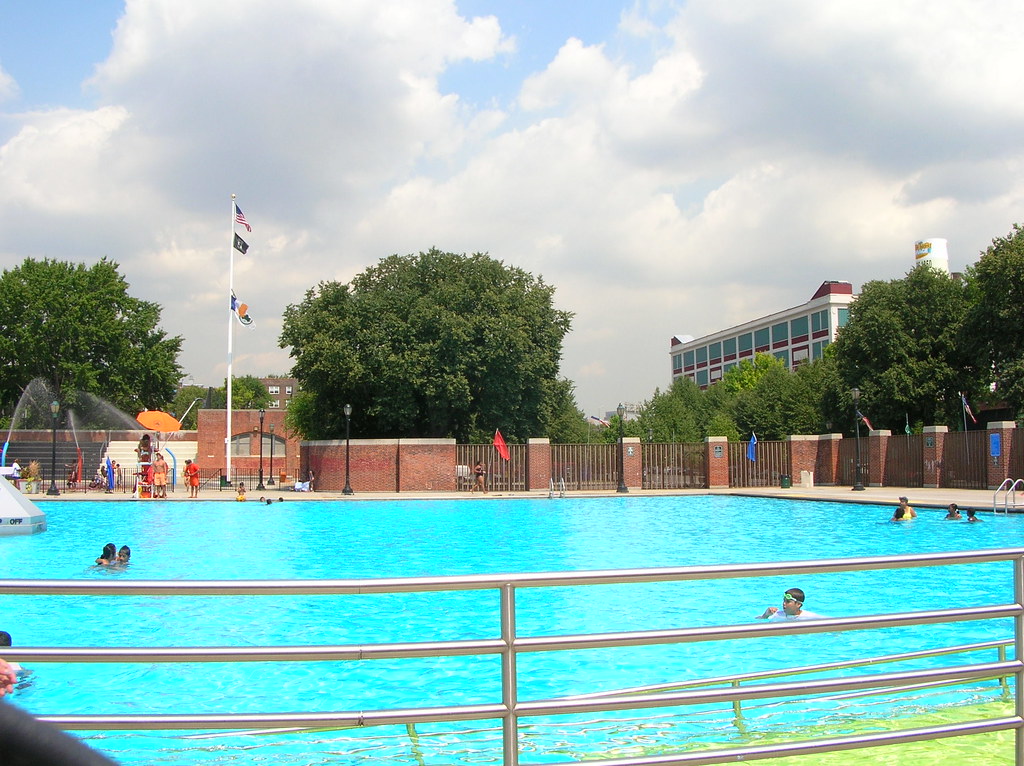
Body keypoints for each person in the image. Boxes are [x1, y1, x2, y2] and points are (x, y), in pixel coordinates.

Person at [757, 587, 823, 621]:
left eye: (788, 601)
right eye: (784, 601)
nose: (784, 603)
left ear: (798, 604)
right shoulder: (777, 614)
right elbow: (756, 621)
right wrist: (765, 615)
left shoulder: (810, 617)